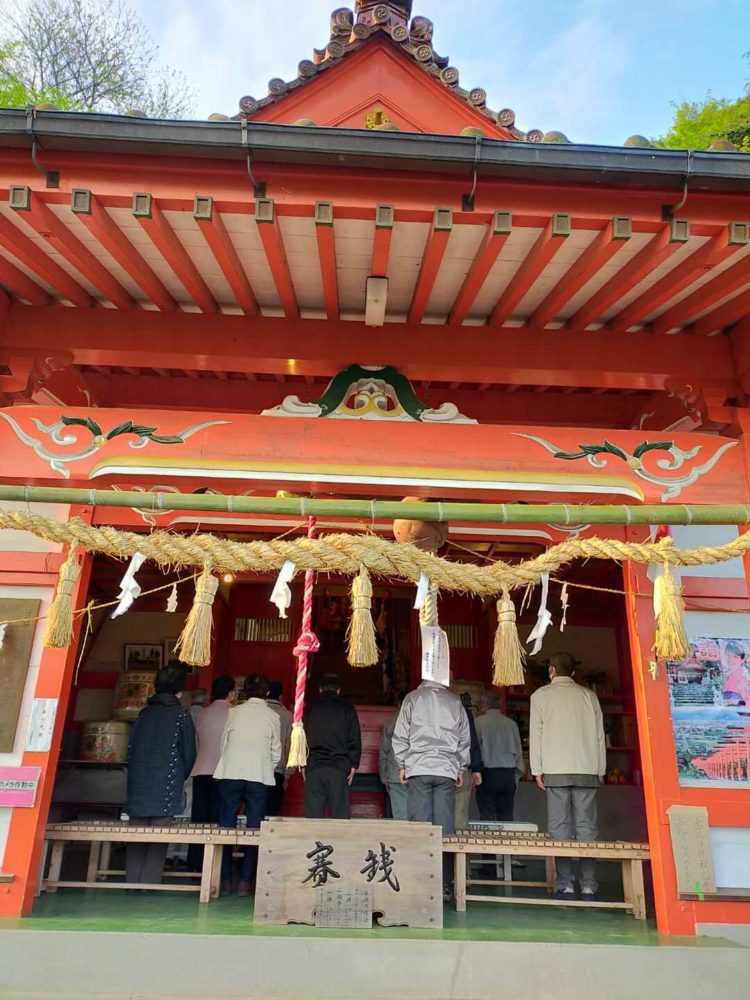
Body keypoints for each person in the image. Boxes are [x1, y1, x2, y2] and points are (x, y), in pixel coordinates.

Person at [529, 651, 606, 901]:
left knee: (559, 828)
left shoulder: (540, 696)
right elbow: (598, 736)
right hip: (587, 767)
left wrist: (536, 768)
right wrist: (600, 769)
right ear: (574, 672)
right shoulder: (588, 696)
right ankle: (588, 885)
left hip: (555, 768)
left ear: (551, 670)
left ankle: (565, 883)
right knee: (587, 827)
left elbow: (536, 734)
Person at [392, 676, 470, 898]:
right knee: (444, 827)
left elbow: (401, 736)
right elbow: (464, 739)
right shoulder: (454, 702)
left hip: (418, 766)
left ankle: (419, 879)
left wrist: (402, 764)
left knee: (420, 825)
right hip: (446, 768)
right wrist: (460, 767)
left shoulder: (412, 698)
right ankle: (443, 883)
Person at [125, 665, 196, 887]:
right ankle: (148, 885)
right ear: (179, 692)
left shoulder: (143, 715)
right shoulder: (182, 715)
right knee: (158, 838)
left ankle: (132, 883)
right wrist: (178, 777)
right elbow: (189, 754)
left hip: (138, 782)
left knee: (136, 837)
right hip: (167, 781)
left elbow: (131, 748)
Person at [214, 673, 281, 896]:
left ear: (245, 693)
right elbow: (276, 753)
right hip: (259, 775)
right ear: (268, 693)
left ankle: (223, 879)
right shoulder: (272, 716)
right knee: (254, 828)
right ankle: (245, 881)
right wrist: (264, 766)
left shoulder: (234, 712)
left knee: (225, 826)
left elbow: (224, 743)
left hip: (231, 771)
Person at [186, 674, 236, 872]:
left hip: (201, 770)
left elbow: (197, 743)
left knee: (199, 821)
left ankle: (195, 866)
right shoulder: (235, 713)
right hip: (222, 772)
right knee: (219, 821)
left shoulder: (203, 714)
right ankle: (215, 868)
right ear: (231, 693)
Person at [304, 673, 361, 819]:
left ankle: (314, 842)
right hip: (339, 767)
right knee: (339, 817)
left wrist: (303, 764)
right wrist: (354, 764)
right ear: (338, 690)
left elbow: (301, 737)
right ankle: (339, 842)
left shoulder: (309, 708)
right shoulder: (347, 708)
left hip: (314, 765)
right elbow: (354, 738)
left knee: (314, 818)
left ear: (320, 689)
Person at [475, 690, 524, 822]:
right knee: (506, 817)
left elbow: (474, 750)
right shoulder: (511, 724)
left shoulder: (478, 722)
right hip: (508, 774)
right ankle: (507, 842)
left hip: (487, 774)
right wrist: (516, 778)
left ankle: (488, 842)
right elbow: (518, 753)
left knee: (487, 817)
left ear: (484, 704)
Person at [454, 690, 483, 831]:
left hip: (432, 768)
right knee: (460, 813)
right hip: (461, 767)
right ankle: (457, 850)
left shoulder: (420, 703)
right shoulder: (462, 710)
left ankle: (439, 851)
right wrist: (476, 768)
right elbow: (471, 740)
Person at [266, 680, 293, 815]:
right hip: (277, 769)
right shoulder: (287, 715)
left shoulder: (259, 711)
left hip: (256, 769)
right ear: (280, 696)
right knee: (272, 811)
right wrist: (288, 774)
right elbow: (289, 746)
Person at [379, 706, 407, 820]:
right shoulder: (422, 721)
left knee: (400, 816)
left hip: (395, 773)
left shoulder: (390, 722)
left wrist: (384, 776)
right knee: (420, 818)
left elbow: (384, 752)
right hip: (418, 774)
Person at [722, 641, 750, 706]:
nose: (730, 659)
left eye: (735, 656)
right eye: (728, 655)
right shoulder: (732, 675)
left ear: (742, 659)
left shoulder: (742, 677)